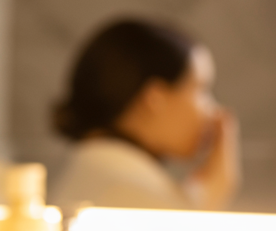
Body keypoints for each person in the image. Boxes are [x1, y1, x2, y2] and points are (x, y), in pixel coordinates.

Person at [50, 18, 241, 211]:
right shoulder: (125, 188)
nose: (213, 111)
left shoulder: (101, 169)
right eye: (201, 90)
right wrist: (208, 198)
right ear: (154, 98)